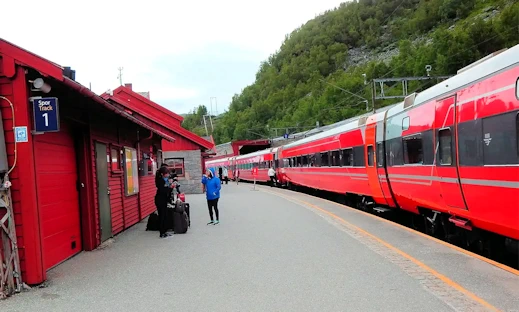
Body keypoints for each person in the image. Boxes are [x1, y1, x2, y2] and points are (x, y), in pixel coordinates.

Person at [155, 166, 174, 238]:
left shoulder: (165, 180)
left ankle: (165, 231)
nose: (167, 175)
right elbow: (164, 191)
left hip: (164, 199)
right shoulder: (160, 181)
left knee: (165, 216)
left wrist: (170, 187)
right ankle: (162, 232)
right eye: (166, 174)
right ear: (163, 174)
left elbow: (167, 191)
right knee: (162, 216)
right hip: (160, 200)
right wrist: (170, 187)